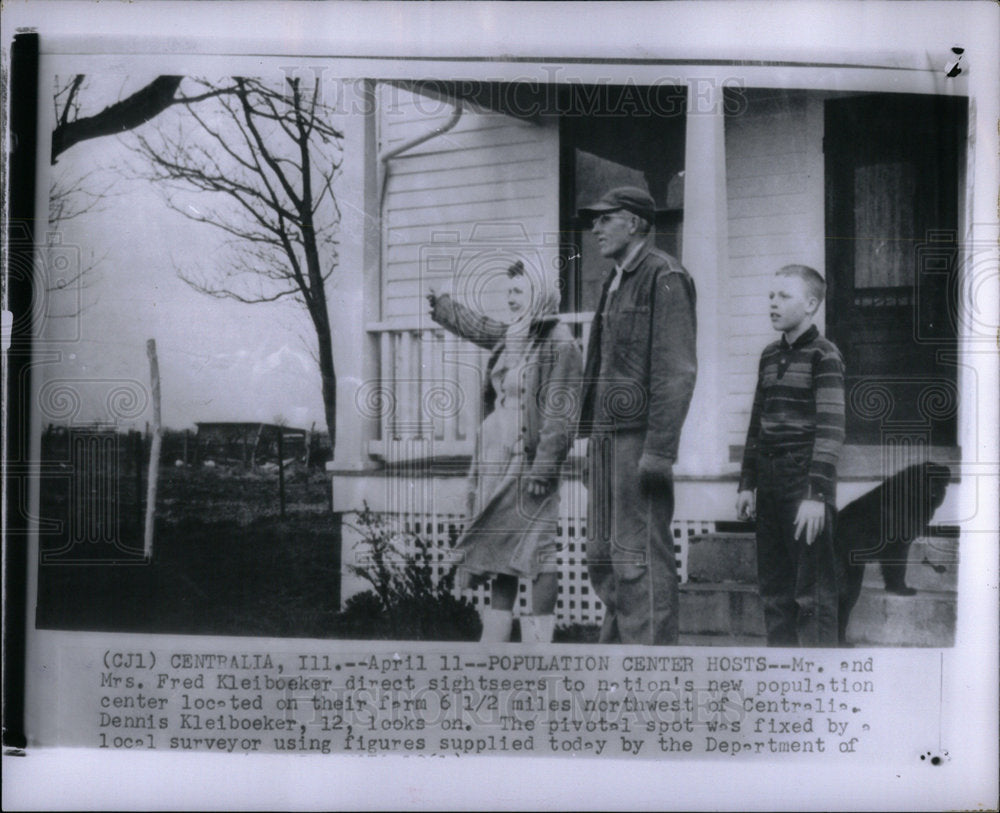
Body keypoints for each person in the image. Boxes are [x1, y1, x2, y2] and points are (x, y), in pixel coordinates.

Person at [427, 261, 582, 643]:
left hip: (530, 462)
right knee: (502, 551)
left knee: (539, 553)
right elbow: (479, 327)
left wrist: (544, 469)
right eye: (508, 292)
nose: (510, 299)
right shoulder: (517, 334)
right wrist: (445, 306)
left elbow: (561, 416)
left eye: (519, 292)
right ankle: (493, 646)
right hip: (496, 457)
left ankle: (537, 647)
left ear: (541, 295)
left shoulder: (560, 343)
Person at [577, 186, 697, 645]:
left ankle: (651, 675)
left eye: (606, 218)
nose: (596, 227)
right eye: (596, 219)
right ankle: (619, 662)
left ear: (636, 223)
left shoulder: (664, 276)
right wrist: (590, 438)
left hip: (639, 441)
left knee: (638, 558)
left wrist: (659, 451)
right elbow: (601, 362)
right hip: (608, 441)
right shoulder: (615, 279)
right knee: (604, 556)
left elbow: (677, 371)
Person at [736, 265, 845, 647]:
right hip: (769, 483)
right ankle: (782, 678)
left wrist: (816, 495)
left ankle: (816, 682)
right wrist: (747, 484)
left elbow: (831, 429)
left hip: (805, 485)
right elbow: (756, 423)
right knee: (776, 592)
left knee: (811, 593)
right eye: (771, 296)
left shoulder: (825, 355)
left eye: (784, 297)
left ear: (811, 304)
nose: (773, 304)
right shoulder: (768, 356)